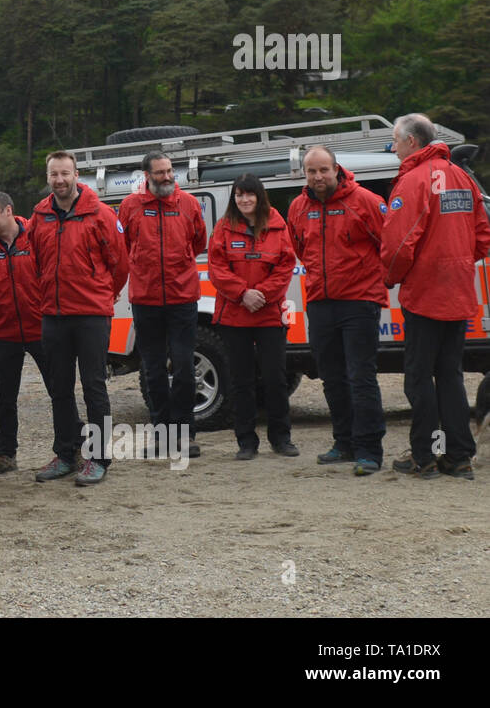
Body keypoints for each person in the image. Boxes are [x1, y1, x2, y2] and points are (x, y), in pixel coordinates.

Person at [381, 113, 490, 480]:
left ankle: (423, 455)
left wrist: (390, 278)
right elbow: (483, 236)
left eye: (395, 141)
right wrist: (457, 262)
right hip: (458, 292)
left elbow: (398, 245)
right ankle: (458, 457)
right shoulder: (462, 177)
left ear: (412, 142)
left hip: (425, 295)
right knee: (450, 376)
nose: (392, 147)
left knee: (417, 378)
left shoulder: (412, 181)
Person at [286, 145, 389, 475]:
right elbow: (299, 248)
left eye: (323, 170)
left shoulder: (366, 202)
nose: (317, 177)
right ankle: (343, 443)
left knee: (361, 377)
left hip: (359, 301)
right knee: (332, 378)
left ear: (336, 169)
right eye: (311, 172)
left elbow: (387, 245)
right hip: (319, 302)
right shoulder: (299, 207)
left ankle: (369, 450)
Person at [28, 151, 128, 485]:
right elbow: (35, 263)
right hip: (54, 315)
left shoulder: (100, 214)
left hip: (90, 315)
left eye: (65, 173)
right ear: (48, 177)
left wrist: (103, 293)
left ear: (76, 175)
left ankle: (99, 458)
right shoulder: (39, 215)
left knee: (94, 387)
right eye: (53, 174)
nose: (59, 180)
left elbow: (120, 264)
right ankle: (66, 453)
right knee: (59, 387)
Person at [117, 151, 208, 458]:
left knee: (183, 367)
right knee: (153, 370)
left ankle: (185, 434)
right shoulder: (130, 207)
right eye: (160, 173)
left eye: (170, 171)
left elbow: (198, 243)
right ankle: (162, 435)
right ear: (146, 175)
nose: (168, 177)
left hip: (183, 298)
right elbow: (123, 246)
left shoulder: (189, 204)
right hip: (146, 299)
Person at [208, 174, 298, 460]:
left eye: (249, 195)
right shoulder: (223, 228)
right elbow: (216, 268)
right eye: (239, 195)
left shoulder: (277, 224)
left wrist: (262, 294)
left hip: (269, 314)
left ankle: (281, 438)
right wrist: (242, 293)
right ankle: (246, 441)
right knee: (240, 380)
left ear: (259, 196)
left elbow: (286, 265)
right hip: (235, 316)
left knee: (275, 378)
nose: (244, 200)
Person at [0, 190, 50, 476]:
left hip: (42, 328)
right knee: (5, 397)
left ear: (8, 211)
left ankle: (74, 448)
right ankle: (5, 456)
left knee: (59, 390)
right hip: (5, 332)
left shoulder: (36, 236)